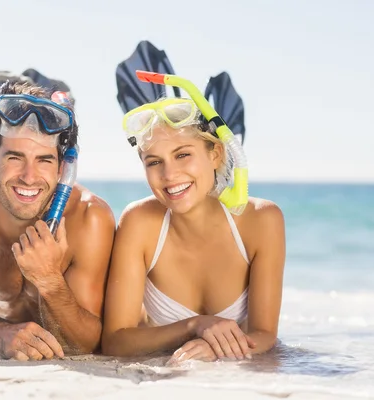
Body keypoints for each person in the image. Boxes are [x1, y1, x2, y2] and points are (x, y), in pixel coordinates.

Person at [0, 80, 116, 361]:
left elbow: (88, 346)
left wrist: (50, 280)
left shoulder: (90, 218)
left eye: (44, 160)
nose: (29, 176)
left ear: (62, 170)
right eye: (15, 158)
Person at [101, 91, 286, 364]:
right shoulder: (139, 221)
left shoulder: (262, 220)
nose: (169, 175)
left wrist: (215, 349)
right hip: (166, 380)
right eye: (154, 162)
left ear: (216, 154)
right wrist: (195, 325)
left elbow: (265, 335)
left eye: (183, 155)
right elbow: (116, 342)